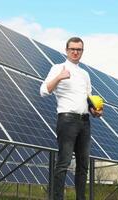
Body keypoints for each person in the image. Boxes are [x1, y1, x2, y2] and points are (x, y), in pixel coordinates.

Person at [40, 37, 103, 200]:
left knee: (83, 166)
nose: (75, 52)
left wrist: (94, 111)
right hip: (67, 121)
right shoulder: (58, 68)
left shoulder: (85, 74)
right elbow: (43, 91)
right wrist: (59, 77)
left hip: (85, 122)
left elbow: (88, 98)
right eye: (72, 49)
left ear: (82, 51)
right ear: (66, 50)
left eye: (79, 49)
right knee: (63, 163)